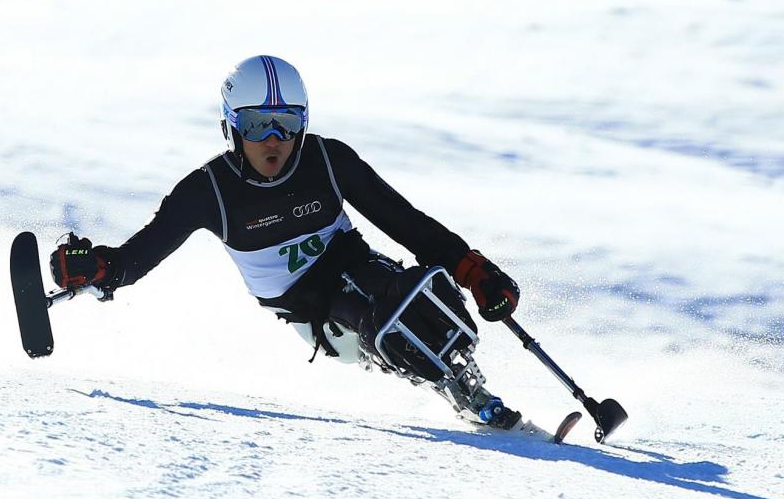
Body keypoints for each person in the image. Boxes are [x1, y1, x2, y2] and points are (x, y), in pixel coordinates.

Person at [50, 55, 524, 428]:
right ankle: (457, 389)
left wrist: (473, 271)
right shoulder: (208, 191)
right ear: (232, 125)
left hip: (353, 260)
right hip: (306, 304)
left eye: (288, 123)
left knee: (424, 289)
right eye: (258, 125)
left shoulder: (328, 160)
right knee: (383, 314)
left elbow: (406, 223)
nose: (274, 140)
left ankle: (470, 383)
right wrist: (98, 268)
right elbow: (139, 255)